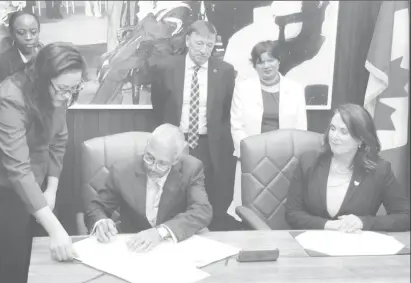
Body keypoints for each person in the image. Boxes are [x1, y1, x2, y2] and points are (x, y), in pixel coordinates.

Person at [0, 42, 86, 283]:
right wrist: (56, 229)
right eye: (63, 89)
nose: (68, 97)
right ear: (43, 77)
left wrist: (51, 190)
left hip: (35, 184)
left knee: (38, 263)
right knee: (13, 267)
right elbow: (18, 170)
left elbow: (58, 141)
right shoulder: (8, 99)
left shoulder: (59, 92)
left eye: (74, 89)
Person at [150, 20, 237, 231]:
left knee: (209, 194)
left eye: (209, 45)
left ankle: (210, 236)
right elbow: (158, 106)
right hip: (176, 142)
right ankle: (173, 232)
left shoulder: (224, 71)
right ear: (188, 40)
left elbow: (226, 111)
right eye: (199, 43)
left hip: (209, 144)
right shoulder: (166, 68)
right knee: (173, 191)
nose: (204, 50)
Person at [85, 124, 212, 251]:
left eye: (162, 163)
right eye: (149, 157)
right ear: (146, 147)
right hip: (133, 245)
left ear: (175, 160)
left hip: (172, 244)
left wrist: (160, 233)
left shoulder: (191, 168)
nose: (152, 167)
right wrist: (101, 222)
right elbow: (96, 207)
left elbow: (202, 211)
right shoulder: (122, 170)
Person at [285, 104, 410, 232]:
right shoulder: (309, 161)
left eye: (343, 132)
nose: (334, 136)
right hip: (311, 245)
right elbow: (292, 213)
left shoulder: (379, 170)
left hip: (356, 246)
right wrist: (327, 225)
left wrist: (363, 222)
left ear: (360, 139)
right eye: (333, 129)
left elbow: (404, 217)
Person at [227, 40, 307, 221]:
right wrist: (250, 155)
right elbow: (237, 125)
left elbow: (301, 129)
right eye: (260, 62)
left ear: (279, 61)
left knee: (280, 209)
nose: (266, 66)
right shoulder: (243, 88)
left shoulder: (295, 89)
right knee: (250, 210)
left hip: (285, 160)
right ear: (255, 66)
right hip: (252, 160)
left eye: (270, 60)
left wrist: (291, 158)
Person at [0, 11, 42, 95]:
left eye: (33, 32)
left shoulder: (46, 58)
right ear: (12, 34)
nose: (28, 37)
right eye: (21, 33)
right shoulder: (0, 65)